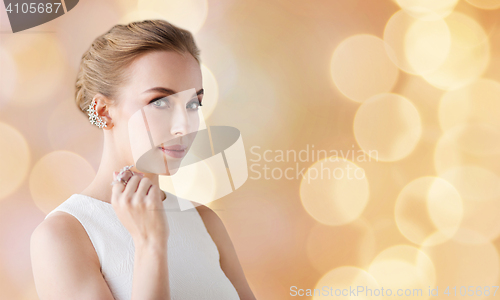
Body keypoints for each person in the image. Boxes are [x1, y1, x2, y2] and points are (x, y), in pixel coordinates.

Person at [30, 19, 256, 300]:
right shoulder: (63, 236)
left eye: (193, 103)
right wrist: (150, 244)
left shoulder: (205, 221)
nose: (184, 127)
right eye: (160, 102)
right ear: (103, 111)